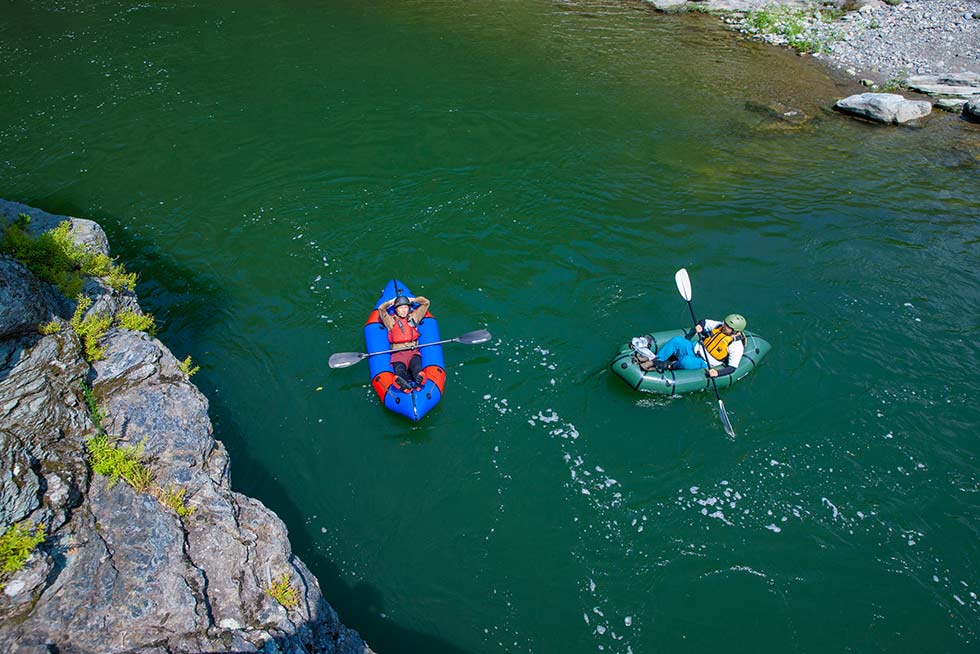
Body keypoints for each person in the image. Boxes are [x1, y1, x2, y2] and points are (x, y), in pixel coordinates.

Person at [650, 314, 747, 378]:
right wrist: (700, 326)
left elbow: (732, 367)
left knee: (686, 361)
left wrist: (717, 373)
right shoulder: (719, 326)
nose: (724, 326)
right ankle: (657, 360)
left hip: (704, 361)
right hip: (694, 348)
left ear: (735, 331)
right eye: (725, 323)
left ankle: (669, 366)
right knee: (677, 341)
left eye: (727, 326)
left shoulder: (736, 346)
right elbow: (704, 322)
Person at [377, 294, 430, 389]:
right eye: (401, 308)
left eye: (406, 307)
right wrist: (390, 302)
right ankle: (403, 384)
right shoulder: (391, 321)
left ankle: (419, 380)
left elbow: (426, 303)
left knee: (416, 368)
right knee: (400, 370)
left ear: (409, 308)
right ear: (396, 309)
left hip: (413, 351)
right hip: (398, 353)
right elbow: (381, 309)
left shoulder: (413, 318)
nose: (403, 310)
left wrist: (413, 300)